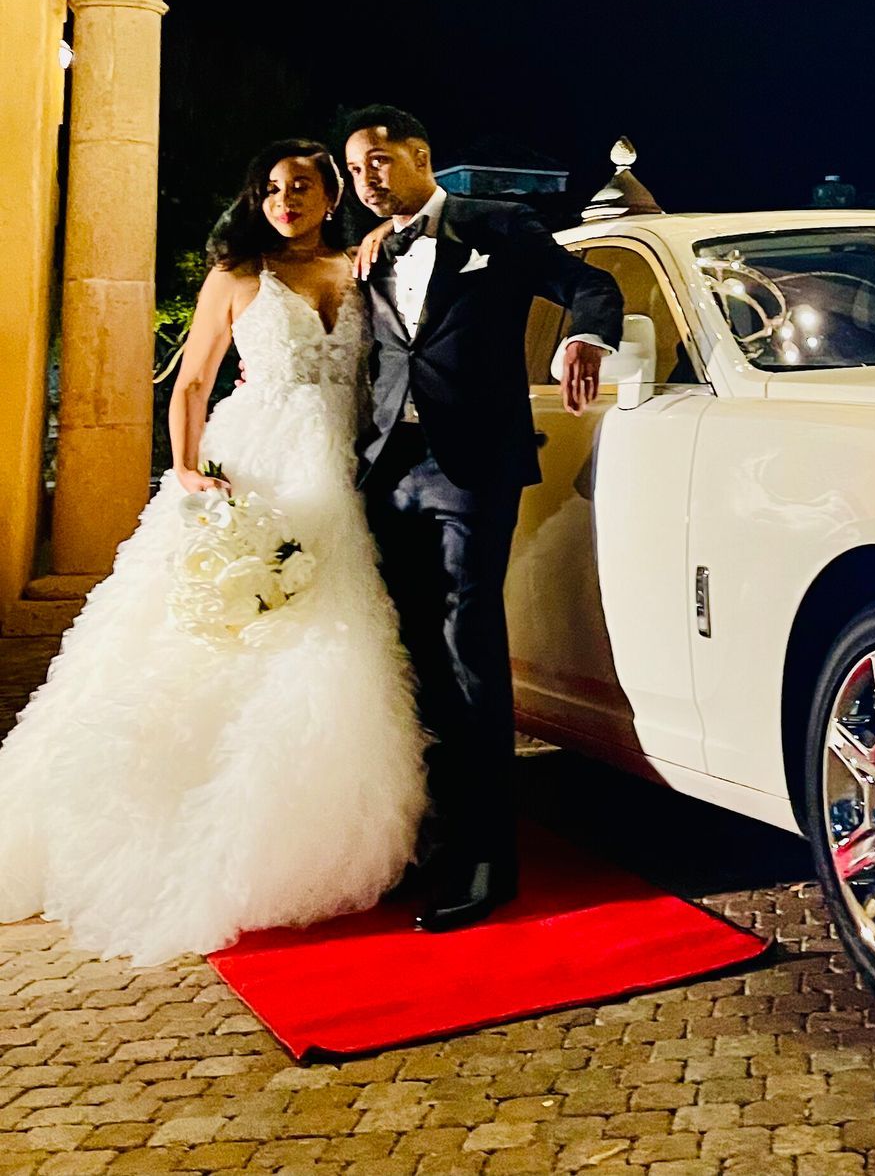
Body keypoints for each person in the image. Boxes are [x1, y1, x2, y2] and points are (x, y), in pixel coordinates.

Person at [0, 144, 427, 965]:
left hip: (344, 470)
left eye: (302, 185)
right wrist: (190, 470)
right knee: (220, 636)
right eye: (270, 188)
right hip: (259, 466)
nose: (285, 199)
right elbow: (193, 381)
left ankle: (315, 821)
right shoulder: (237, 275)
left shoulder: (366, 266)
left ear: (332, 194)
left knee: (336, 636)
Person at [344, 106, 622, 933]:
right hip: (386, 472)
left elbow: (591, 287)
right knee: (414, 661)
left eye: (382, 161)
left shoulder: (495, 225)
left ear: (423, 155)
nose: (369, 179)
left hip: (470, 470)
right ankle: (432, 839)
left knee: (471, 654)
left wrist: (587, 340)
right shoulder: (367, 253)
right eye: (357, 168)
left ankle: (489, 864)